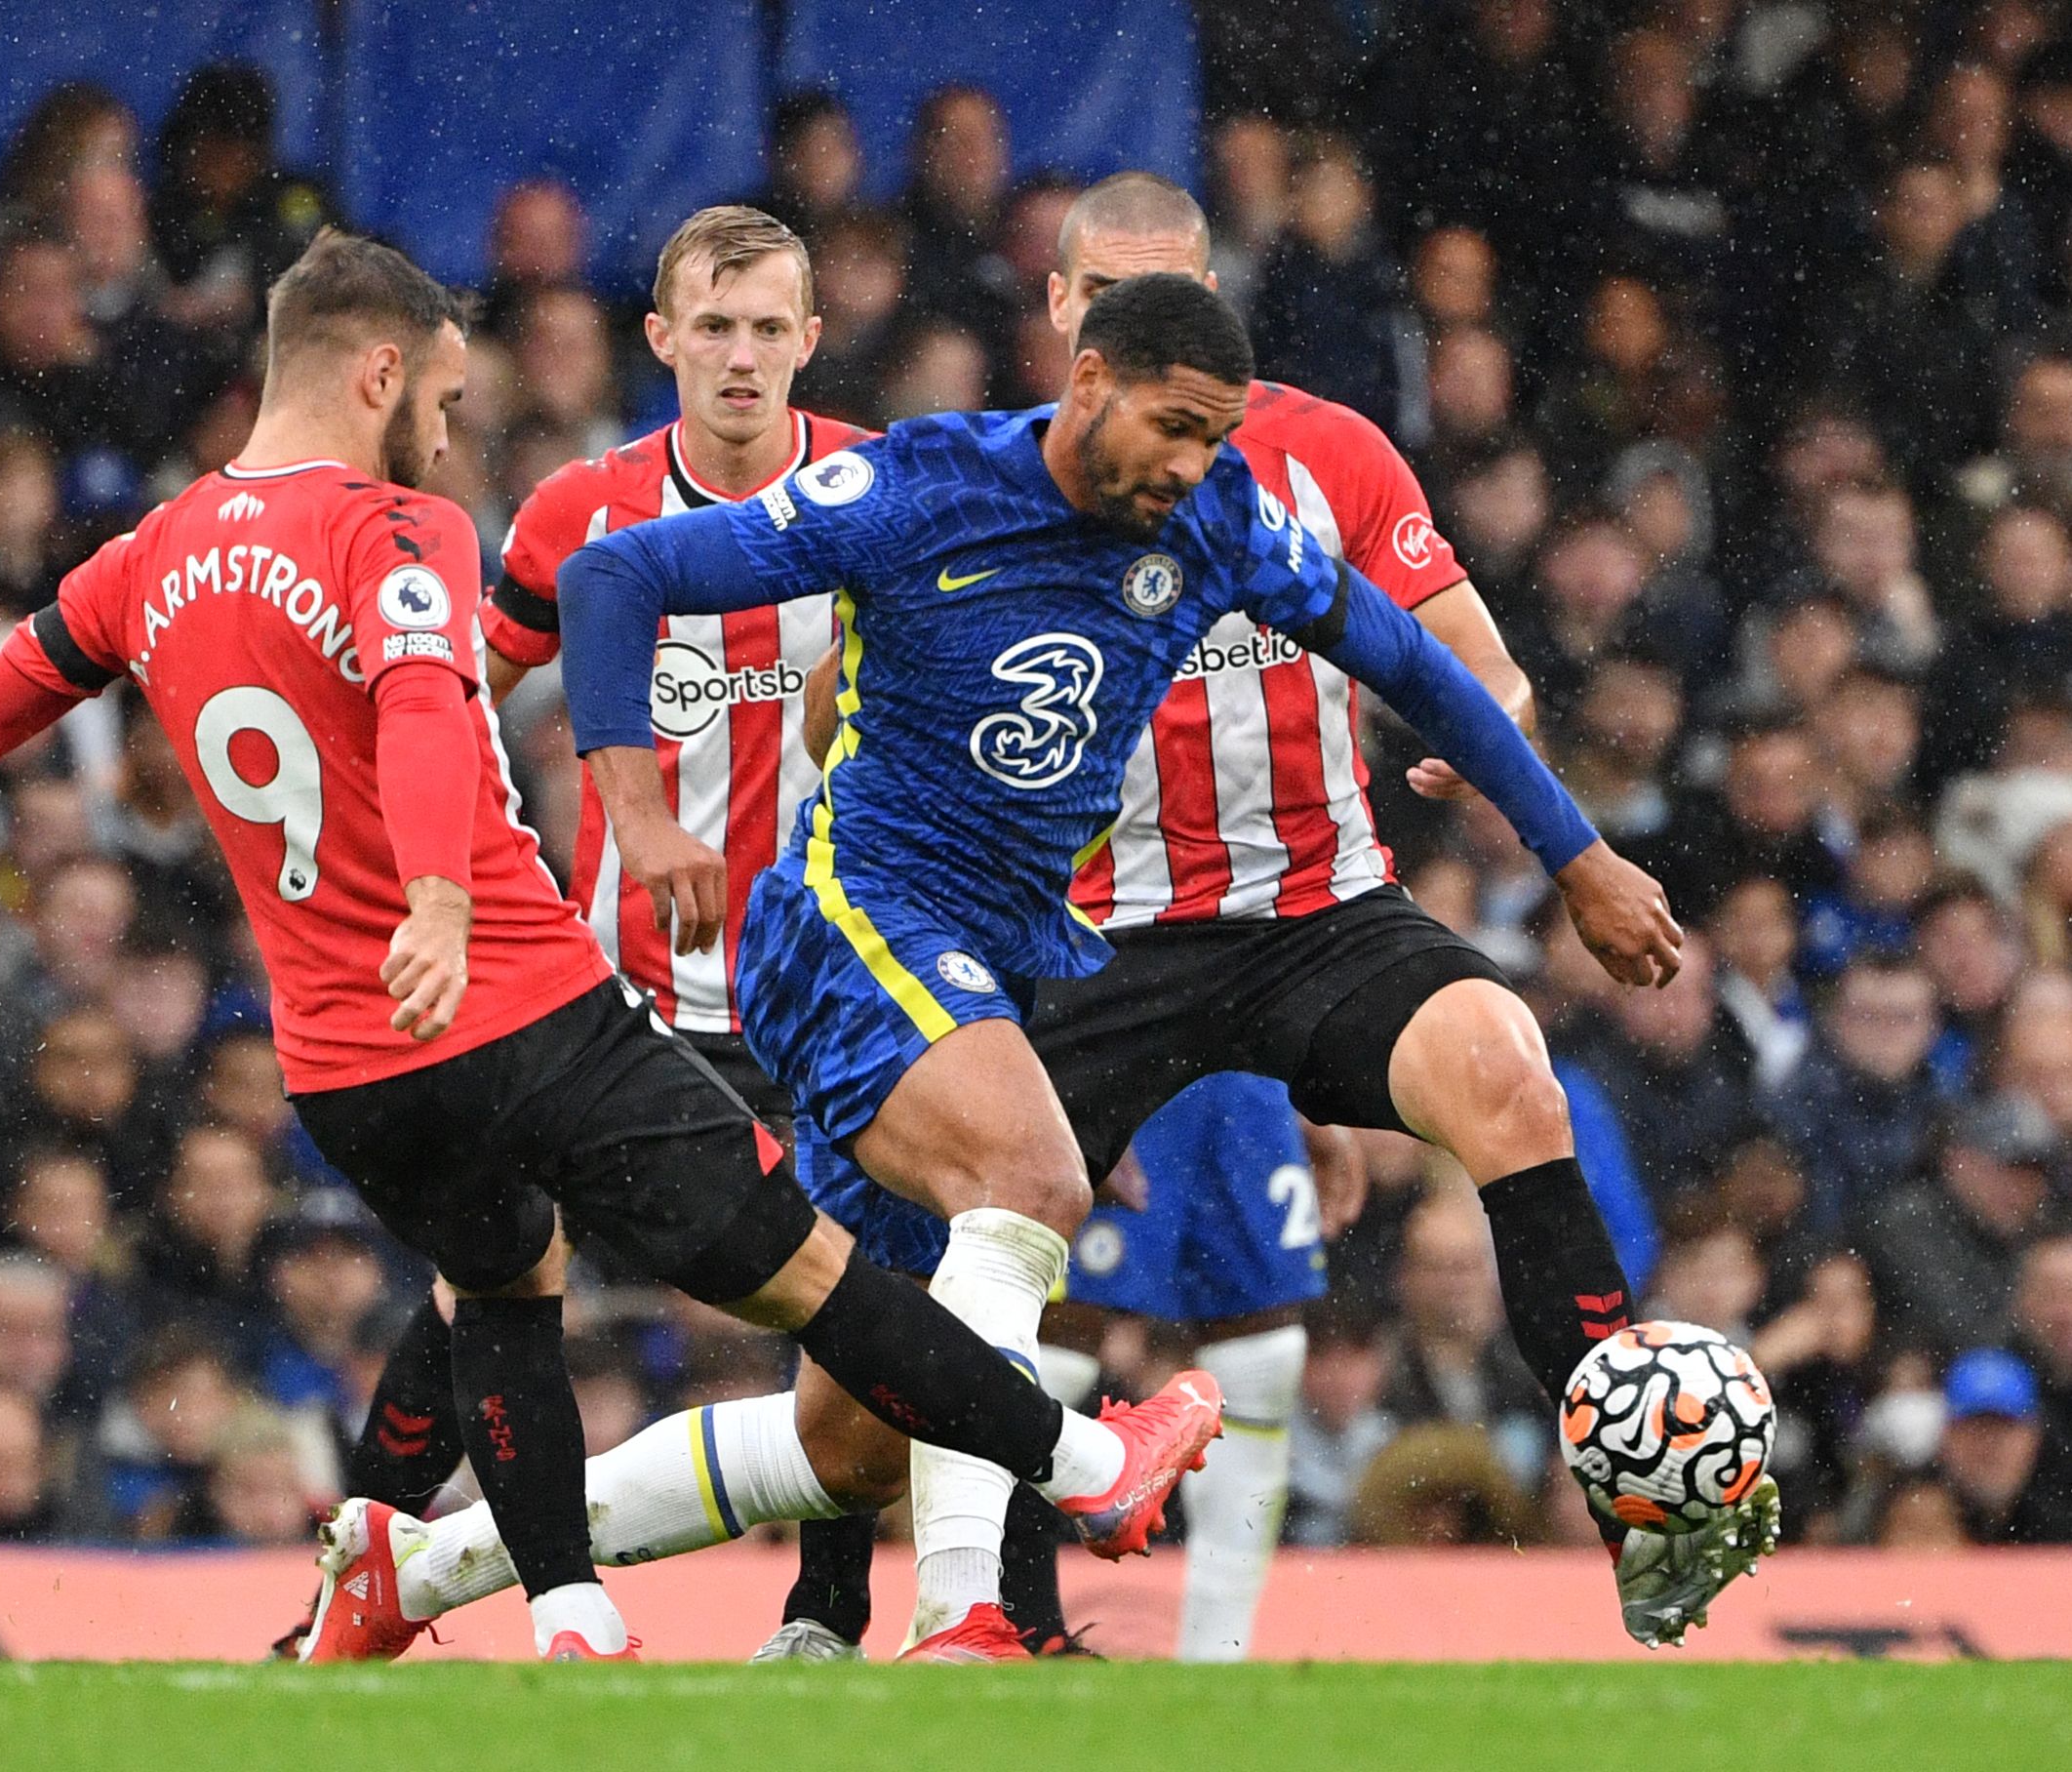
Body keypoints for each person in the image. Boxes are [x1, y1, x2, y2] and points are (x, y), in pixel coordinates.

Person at [0, 231, 1219, 1666]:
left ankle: (529, 1607)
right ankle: (1089, 1465)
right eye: (440, 401)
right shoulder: (395, 527)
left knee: (498, 1294)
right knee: (823, 1289)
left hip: (345, 1065)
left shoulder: (148, 555)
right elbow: (436, 706)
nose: (446, 439)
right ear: (377, 373)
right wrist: (440, 895)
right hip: (530, 1001)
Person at [327, 264, 1683, 1665]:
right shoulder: (921, 486)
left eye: (1215, 436)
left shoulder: (1219, 521)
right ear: (1086, 378)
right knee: (1031, 1178)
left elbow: (1413, 657)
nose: (1192, 465)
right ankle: (963, 1613)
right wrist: (637, 807)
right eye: (1172, 426)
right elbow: (617, 575)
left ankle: (415, 1569)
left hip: (998, 960)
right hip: (851, 921)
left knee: (848, 1442)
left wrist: (1575, 855)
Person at [772, 167, 1537, 1666]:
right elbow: (830, 721)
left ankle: (1198, 1660)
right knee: (937, 1305)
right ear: (1059, 312)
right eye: (1104, 294)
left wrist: (1504, 766)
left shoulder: (1296, 476)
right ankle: (893, 1603)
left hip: (1258, 944)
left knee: (1244, 1320)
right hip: (1054, 957)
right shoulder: (969, 487)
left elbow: (1461, 664)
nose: (1134, 324)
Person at [338, 204, 865, 1518]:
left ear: (809, 339)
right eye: (712, 330)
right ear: (661, 339)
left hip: (832, 984)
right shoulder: (581, 510)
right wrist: (436, 890)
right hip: (619, 991)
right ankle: (360, 1557)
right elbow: (455, 699)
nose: (739, 358)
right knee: (491, 1278)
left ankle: (839, 1617)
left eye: (764, 331)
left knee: (868, 1300)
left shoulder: (879, 495)